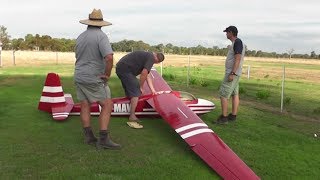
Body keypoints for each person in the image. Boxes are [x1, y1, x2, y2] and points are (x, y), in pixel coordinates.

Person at [74, 9, 121, 149]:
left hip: (79, 75)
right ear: (101, 23)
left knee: (85, 104)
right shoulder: (101, 36)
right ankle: (104, 139)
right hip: (93, 77)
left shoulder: (80, 36)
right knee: (107, 104)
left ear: (88, 22)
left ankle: (88, 136)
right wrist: (107, 75)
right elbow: (109, 57)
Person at [116, 51, 165, 129]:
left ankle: (127, 109)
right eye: (155, 62)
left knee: (131, 92)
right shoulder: (151, 58)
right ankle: (132, 116)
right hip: (125, 70)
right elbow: (144, 73)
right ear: (157, 60)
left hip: (122, 68)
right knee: (136, 92)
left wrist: (153, 90)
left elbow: (147, 76)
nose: (154, 63)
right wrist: (141, 87)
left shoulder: (148, 56)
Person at [214, 25, 245, 124]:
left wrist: (232, 73)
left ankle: (224, 118)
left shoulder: (237, 42)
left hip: (232, 73)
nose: (226, 34)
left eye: (227, 32)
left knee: (223, 94)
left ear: (231, 32)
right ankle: (233, 115)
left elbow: (238, 58)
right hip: (235, 73)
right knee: (235, 94)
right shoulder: (236, 43)